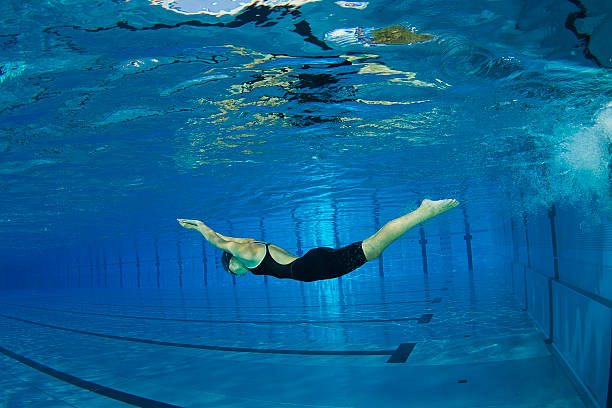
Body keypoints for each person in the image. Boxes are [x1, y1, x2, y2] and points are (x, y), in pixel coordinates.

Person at [178, 198, 459, 282]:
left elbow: (219, 241)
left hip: (312, 268)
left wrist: (201, 227)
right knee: (371, 248)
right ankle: (422, 212)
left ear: (234, 261)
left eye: (233, 270)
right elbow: (227, 238)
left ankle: (424, 211)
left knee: (372, 248)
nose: (238, 273)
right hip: (312, 262)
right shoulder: (249, 245)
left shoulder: (246, 255)